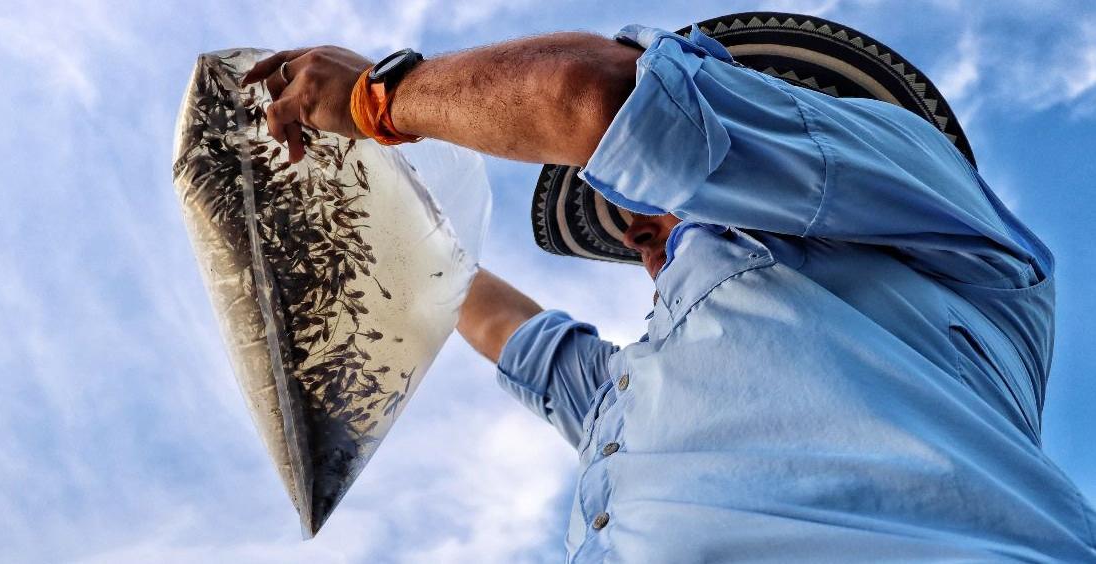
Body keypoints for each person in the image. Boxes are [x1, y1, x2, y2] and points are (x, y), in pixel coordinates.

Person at [243, 11, 1096, 562]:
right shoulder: (631, 397)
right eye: (634, 226)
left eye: (652, 209)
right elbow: (488, 312)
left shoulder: (922, 209)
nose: (638, 241)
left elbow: (589, 95)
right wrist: (348, 217)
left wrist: (377, 100)